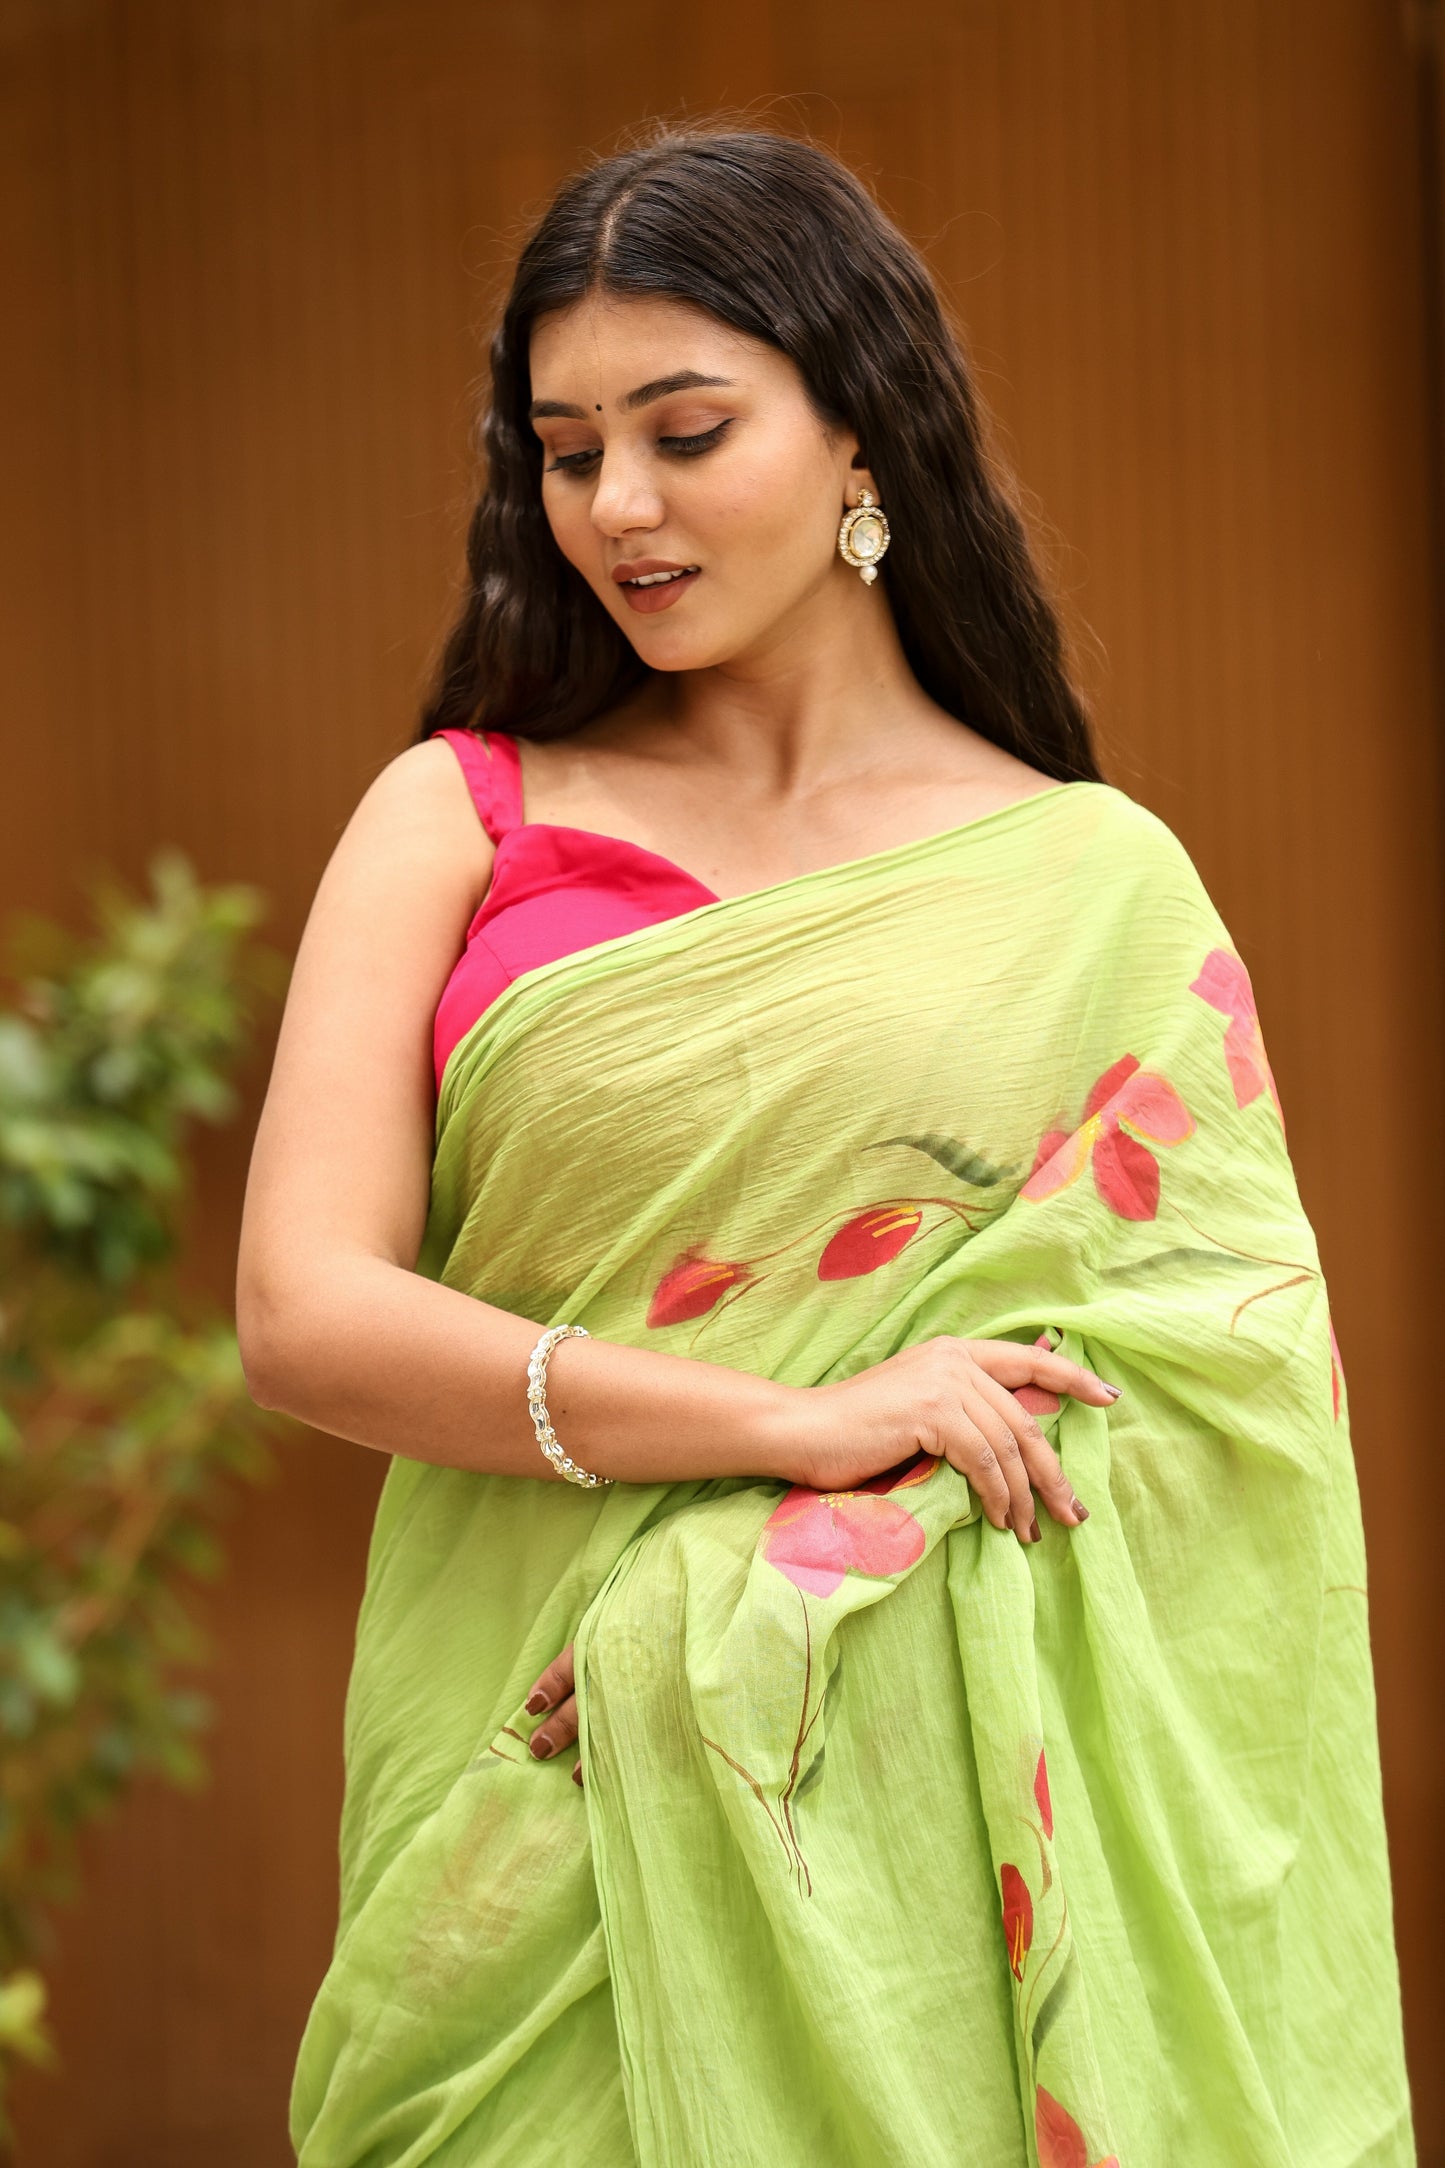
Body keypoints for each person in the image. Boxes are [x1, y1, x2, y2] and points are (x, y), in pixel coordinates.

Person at [236, 126, 1413, 2167]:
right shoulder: (461, 814)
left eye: (687, 430)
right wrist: (780, 1432)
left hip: (928, 1869)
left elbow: (1211, 1413)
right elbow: (303, 1313)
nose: (618, 505)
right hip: (531, 1823)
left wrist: (776, 1590)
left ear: (861, 429)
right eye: (567, 444)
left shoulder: (1091, 886)